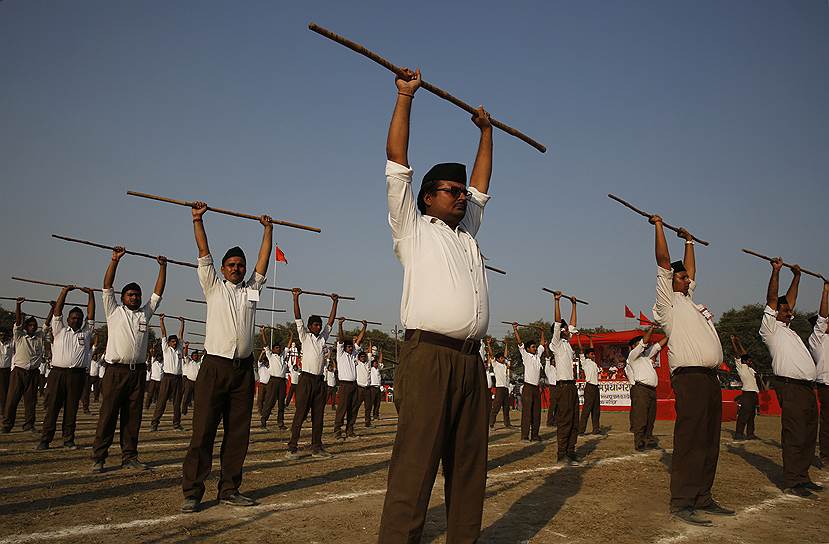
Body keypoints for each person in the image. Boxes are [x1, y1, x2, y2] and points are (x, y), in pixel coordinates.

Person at [378, 66, 494, 543]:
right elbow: (396, 159)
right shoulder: (411, 227)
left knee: (469, 470)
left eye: (462, 192)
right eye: (452, 191)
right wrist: (406, 96)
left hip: (471, 364)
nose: (462, 197)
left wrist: (487, 134)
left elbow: (483, 183)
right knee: (416, 466)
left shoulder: (467, 234)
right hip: (427, 359)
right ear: (427, 198)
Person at [180, 201, 272, 512]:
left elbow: (263, 262)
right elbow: (203, 251)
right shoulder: (213, 286)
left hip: (243, 371)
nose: (236, 268)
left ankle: (229, 489)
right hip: (214, 367)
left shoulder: (252, 291)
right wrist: (197, 220)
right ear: (222, 269)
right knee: (203, 430)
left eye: (240, 265)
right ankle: (193, 492)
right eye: (231, 265)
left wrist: (267, 231)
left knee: (238, 434)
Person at [650, 215, 732, 525]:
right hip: (690, 378)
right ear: (671, 282)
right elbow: (663, 260)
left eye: (686, 278)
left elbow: (690, 269)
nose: (686, 279)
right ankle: (682, 500)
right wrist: (659, 226)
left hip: (710, 378)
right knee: (691, 438)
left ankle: (703, 496)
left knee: (710, 439)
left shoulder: (691, 302)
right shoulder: (667, 304)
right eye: (680, 278)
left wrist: (689, 241)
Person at [91, 247, 166, 472]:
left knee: (132, 417)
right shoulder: (113, 311)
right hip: (115, 372)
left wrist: (163, 268)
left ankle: (130, 456)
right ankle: (99, 457)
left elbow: (158, 294)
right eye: (130, 295)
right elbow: (107, 286)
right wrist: (115, 261)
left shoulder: (145, 314)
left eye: (137, 295)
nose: (134, 297)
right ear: (123, 297)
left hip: (137, 372)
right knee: (108, 415)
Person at [760, 258, 822, 497]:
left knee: (808, 432)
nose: (789, 312)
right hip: (790, 386)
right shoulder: (770, 329)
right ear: (775, 312)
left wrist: (797, 277)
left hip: (807, 388)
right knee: (795, 432)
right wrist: (776, 272)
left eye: (789, 311)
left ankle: (803, 476)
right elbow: (774, 299)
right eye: (784, 310)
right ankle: (792, 480)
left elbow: (789, 300)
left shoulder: (789, 330)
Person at [38, 286, 95, 450]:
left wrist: (91, 295)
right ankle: (45, 439)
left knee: (71, 409)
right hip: (58, 374)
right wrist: (64, 292)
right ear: (68, 319)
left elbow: (91, 314)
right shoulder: (59, 329)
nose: (76, 320)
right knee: (53, 408)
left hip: (77, 375)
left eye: (79, 318)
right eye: (73, 318)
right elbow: (57, 311)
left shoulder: (86, 332)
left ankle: (68, 439)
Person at [286, 288, 338, 460]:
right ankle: (292, 447)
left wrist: (335, 303)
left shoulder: (323, 338)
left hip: (320, 382)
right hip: (306, 380)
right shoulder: (304, 336)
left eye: (319, 325)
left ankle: (317, 446)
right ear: (309, 326)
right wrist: (295, 298)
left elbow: (331, 322)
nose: (318, 327)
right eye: (315, 325)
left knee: (319, 416)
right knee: (300, 414)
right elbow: (298, 317)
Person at [2, 299, 46, 433]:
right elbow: (18, 323)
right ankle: (7, 425)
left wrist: (52, 309)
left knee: (31, 401)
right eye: (30, 325)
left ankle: (29, 425)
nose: (33, 327)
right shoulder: (19, 336)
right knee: (12, 400)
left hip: (33, 373)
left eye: (34, 325)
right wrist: (18, 305)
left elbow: (48, 324)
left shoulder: (40, 336)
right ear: (26, 327)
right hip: (18, 372)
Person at [549, 293, 580, 465]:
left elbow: (573, 324)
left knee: (574, 419)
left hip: (572, 386)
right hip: (562, 386)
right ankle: (562, 454)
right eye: (564, 329)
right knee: (565, 420)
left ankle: (571, 450)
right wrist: (557, 301)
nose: (568, 330)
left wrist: (574, 305)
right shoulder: (557, 344)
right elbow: (557, 321)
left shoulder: (568, 343)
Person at [624, 326, 666, 451]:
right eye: (638, 343)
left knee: (650, 417)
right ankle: (639, 442)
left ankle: (648, 439)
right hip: (640, 389)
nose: (643, 345)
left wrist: (670, 331)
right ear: (633, 347)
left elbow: (659, 345)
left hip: (651, 390)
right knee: (640, 416)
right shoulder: (632, 356)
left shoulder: (647, 356)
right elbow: (644, 342)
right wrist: (652, 328)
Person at [151, 315, 185, 432]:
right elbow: (163, 333)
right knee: (162, 401)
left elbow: (181, 335)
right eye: (172, 341)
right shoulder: (166, 348)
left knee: (177, 402)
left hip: (178, 379)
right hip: (167, 378)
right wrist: (161, 320)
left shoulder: (180, 348)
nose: (174, 343)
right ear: (169, 343)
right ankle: (154, 423)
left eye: (175, 341)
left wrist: (182, 323)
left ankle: (177, 423)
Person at [334, 318, 365, 440]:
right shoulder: (340, 353)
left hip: (354, 385)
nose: (351, 348)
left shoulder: (354, 354)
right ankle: (337, 431)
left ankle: (350, 430)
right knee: (342, 408)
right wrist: (340, 325)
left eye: (351, 347)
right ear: (344, 347)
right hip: (344, 385)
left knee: (353, 409)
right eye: (349, 347)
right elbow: (341, 339)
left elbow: (360, 339)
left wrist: (364, 327)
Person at [513, 323, 544, 443]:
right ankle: (525, 436)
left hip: (536, 388)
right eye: (532, 347)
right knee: (527, 413)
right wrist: (515, 330)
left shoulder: (538, 356)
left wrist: (542, 332)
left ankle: (535, 435)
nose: (535, 348)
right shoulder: (525, 355)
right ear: (527, 349)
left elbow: (542, 344)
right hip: (528, 388)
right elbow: (519, 342)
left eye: (535, 347)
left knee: (536, 413)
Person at [810, 280, 829, 466]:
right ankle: (825, 455)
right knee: (827, 422)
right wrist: (826, 291)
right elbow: (822, 317)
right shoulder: (817, 339)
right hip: (826, 385)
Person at [729, 335, 759, 440]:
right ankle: (738, 434)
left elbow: (745, 354)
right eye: (749, 360)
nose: (751, 361)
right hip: (747, 394)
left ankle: (750, 434)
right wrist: (733, 342)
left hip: (754, 394)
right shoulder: (741, 367)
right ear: (744, 361)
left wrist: (739, 341)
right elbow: (738, 354)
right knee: (743, 415)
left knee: (751, 416)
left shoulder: (751, 369)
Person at [261, 326, 290, 430]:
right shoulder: (270, 355)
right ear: (273, 349)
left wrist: (291, 336)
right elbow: (265, 344)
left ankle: (280, 423)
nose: (279, 349)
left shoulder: (283, 355)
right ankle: (264, 419)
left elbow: (288, 346)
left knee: (281, 403)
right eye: (276, 348)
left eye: (279, 348)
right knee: (270, 402)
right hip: (273, 381)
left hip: (282, 382)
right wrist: (263, 332)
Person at [577, 335, 602, 435]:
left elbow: (591, 348)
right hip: (590, 387)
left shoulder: (594, 363)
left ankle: (596, 429)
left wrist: (591, 339)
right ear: (587, 355)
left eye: (594, 354)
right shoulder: (584, 362)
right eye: (592, 354)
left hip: (596, 387)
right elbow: (581, 349)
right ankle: (581, 430)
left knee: (596, 410)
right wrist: (578, 337)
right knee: (586, 410)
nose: (594, 355)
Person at [487, 337, 513, 429]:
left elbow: (506, 355)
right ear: (497, 359)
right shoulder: (495, 364)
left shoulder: (505, 365)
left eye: (503, 358)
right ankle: (491, 423)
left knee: (506, 408)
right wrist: (489, 344)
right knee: (496, 407)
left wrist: (506, 345)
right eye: (501, 358)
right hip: (500, 388)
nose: (503, 359)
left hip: (506, 388)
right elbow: (491, 354)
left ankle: (507, 423)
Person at [256, 342, 272, 430]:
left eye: (267, 361)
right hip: (262, 384)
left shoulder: (270, 367)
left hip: (269, 384)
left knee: (267, 399)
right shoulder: (260, 366)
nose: (266, 362)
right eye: (265, 361)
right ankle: (260, 410)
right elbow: (259, 360)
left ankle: (265, 411)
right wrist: (262, 353)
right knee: (260, 399)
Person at [181, 347, 200, 416]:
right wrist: (186, 347)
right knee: (186, 396)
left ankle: (197, 412)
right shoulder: (189, 362)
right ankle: (184, 410)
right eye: (194, 356)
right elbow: (185, 355)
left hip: (197, 383)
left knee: (197, 398)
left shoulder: (199, 363)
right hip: (189, 382)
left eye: (196, 356)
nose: (196, 357)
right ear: (192, 357)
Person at [144, 345, 162, 409]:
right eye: (158, 357)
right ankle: (147, 405)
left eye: (160, 357)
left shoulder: (163, 363)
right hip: (153, 380)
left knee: (159, 394)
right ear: (156, 358)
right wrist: (153, 349)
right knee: (150, 393)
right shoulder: (154, 361)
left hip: (160, 381)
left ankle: (158, 405)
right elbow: (153, 354)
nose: (159, 358)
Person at [0, 330, 14, 412]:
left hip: (7, 370)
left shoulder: (10, 344)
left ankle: (5, 409)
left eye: (3, 335)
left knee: (5, 391)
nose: (2, 337)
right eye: (0, 335)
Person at [370, 347, 384, 420]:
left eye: (376, 363)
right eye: (375, 363)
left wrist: (381, 353)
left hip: (378, 388)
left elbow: (381, 361)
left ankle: (376, 415)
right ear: (372, 364)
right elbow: (369, 358)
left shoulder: (378, 368)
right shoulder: (370, 368)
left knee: (377, 403)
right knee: (371, 403)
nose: (376, 363)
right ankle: (369, 416)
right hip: (372, 388)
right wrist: (372, 354)